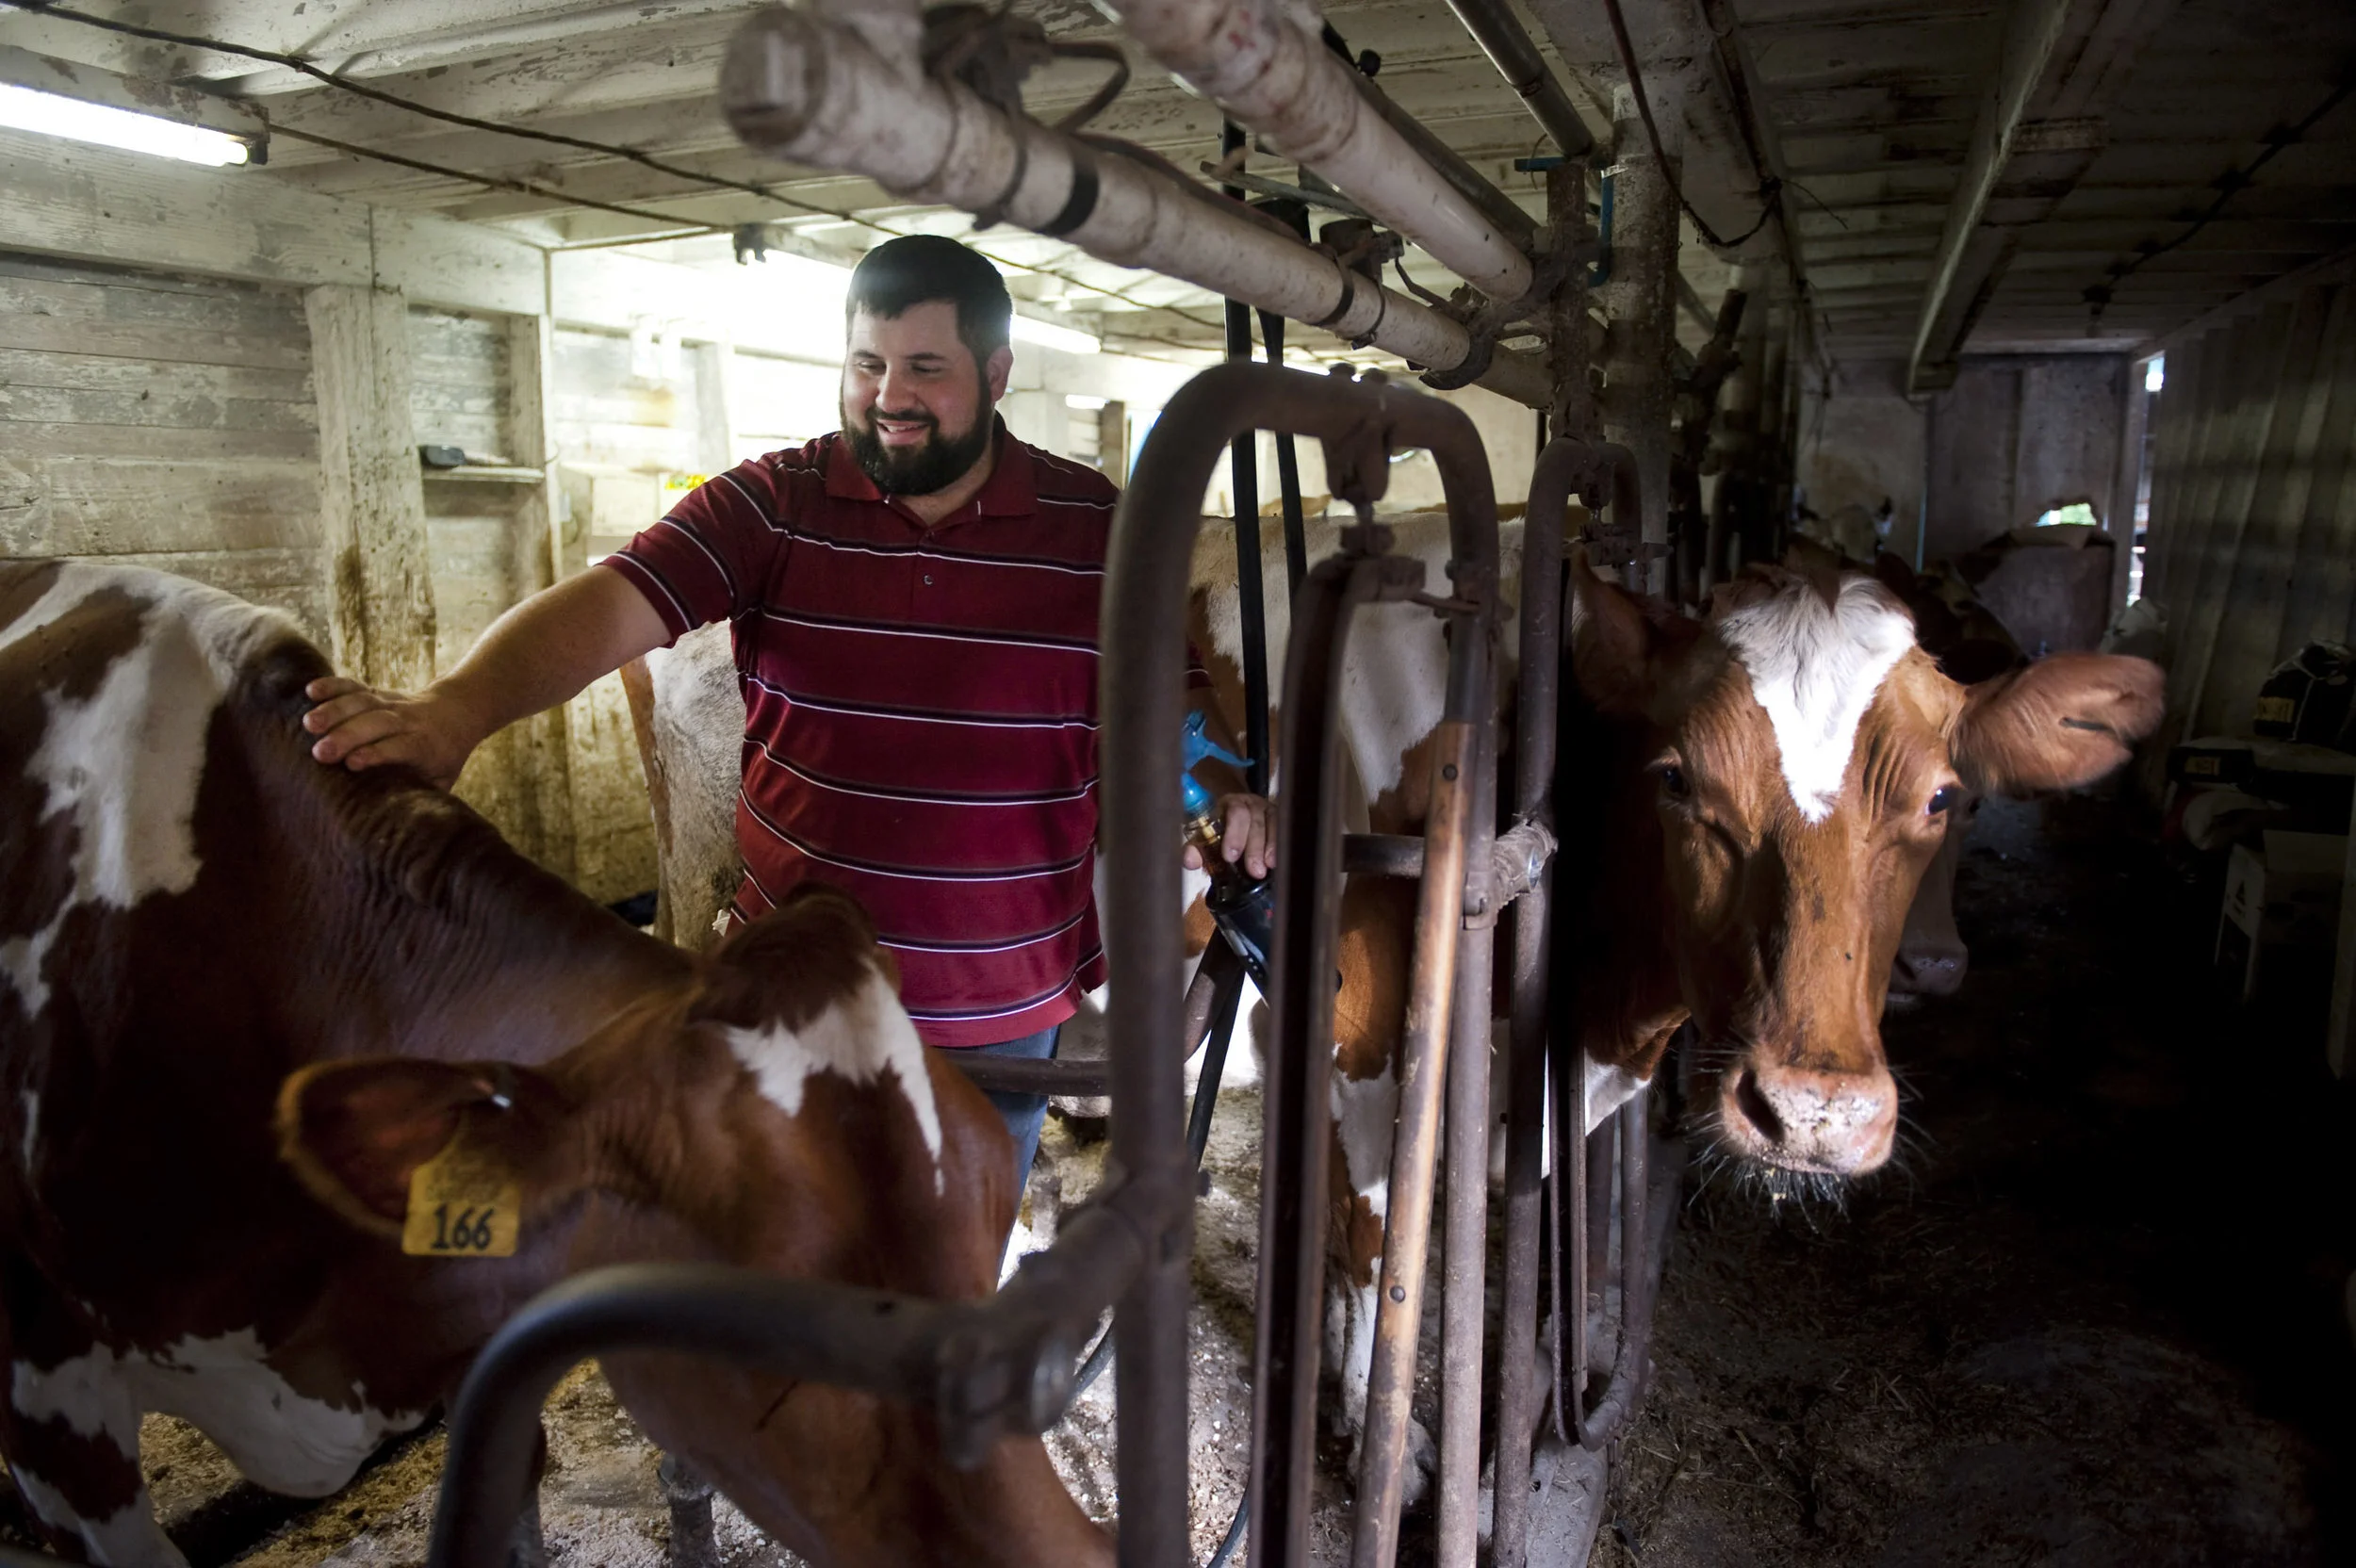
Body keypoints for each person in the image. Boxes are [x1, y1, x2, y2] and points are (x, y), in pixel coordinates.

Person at [302, 234, 1271, 1201]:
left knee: (950, 1281)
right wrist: (456, 708)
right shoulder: (773, 506)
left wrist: (1223, 791)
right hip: (795, 997)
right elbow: (612, 601)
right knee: (787, 1269)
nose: (889, 395)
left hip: (999, 1011)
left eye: (925, 368)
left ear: (997, 371)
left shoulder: (1098, 529)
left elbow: (1172, 708)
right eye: (866, 364)